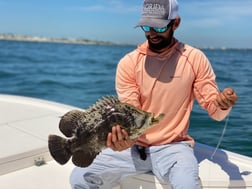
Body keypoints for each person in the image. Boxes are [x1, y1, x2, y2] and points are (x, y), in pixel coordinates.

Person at [70, 0, 238, 188]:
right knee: (80, 177)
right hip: (131, 148)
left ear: (176, 23)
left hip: (174, 147)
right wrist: (124, 141)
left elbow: (214, 111)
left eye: (159, 27)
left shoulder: (194, 59)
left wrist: (222, 104)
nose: (151, 33)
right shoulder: (129, 63)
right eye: (147, 26)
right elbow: (129, 113)